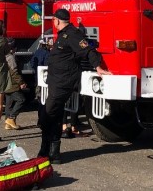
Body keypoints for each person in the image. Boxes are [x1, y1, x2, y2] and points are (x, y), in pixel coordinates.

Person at [38, 9, 109, 163]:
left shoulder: (73, 34)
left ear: (57, 20)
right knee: (55, 116)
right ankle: (53, 153)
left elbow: (88, 50)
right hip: (56, 81)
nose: (53, 22)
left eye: (53, 20)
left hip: (63, 83)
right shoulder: (63, 35)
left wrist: (98, 67)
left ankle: (45, 151)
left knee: (48, 116)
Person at [3, 39, 28, 131]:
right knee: (21, 99)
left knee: (9, 103)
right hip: (12, 84)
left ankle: (7, 123)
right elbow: (14, 72)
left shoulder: (2, 56)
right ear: (13, 48)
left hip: (5, 83)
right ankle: (11, 118)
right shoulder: (10, 57)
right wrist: (21, 82)